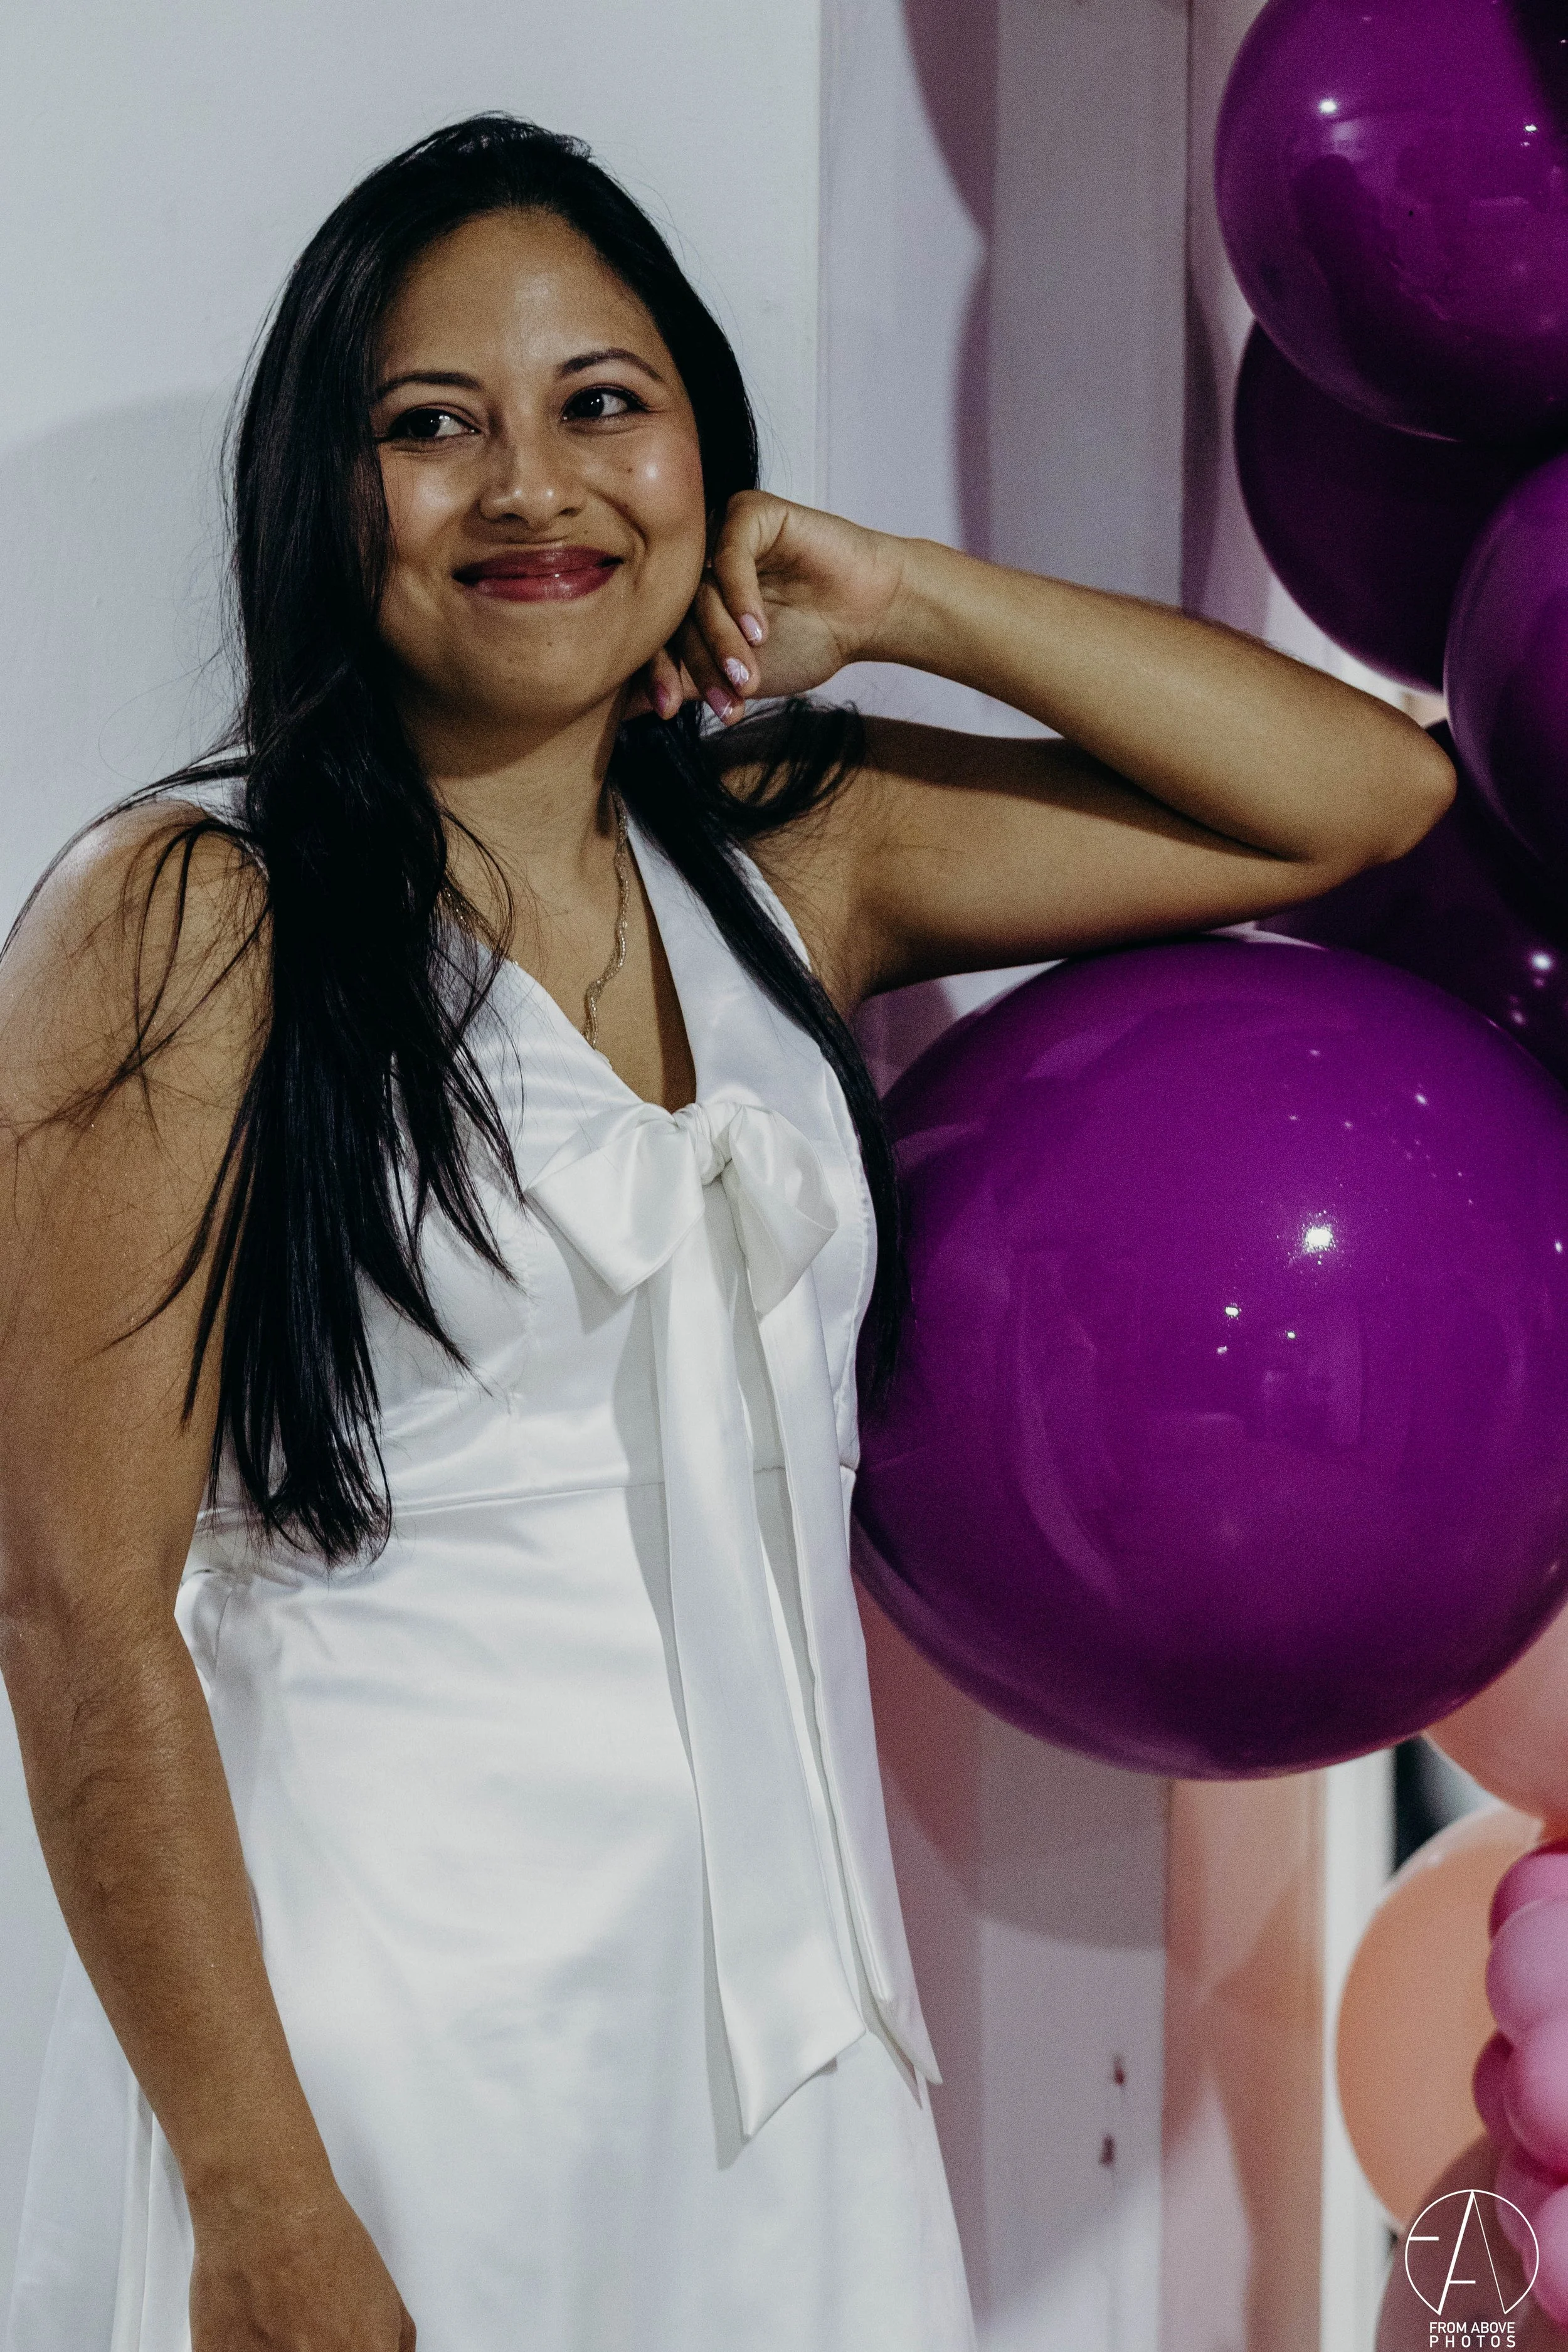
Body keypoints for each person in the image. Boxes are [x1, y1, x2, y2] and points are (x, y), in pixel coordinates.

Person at [0, 114, 1451, 2352]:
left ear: (703, 449)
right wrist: (255, 2187)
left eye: (603, 405)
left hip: (784, 2045)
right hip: (379, 2034)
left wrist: (906, 593)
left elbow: (1358, 797)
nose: (531, 489)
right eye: (429, 426)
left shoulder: (800, 847)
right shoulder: (193, 909)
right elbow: (77, 1603)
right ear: (322, 487)